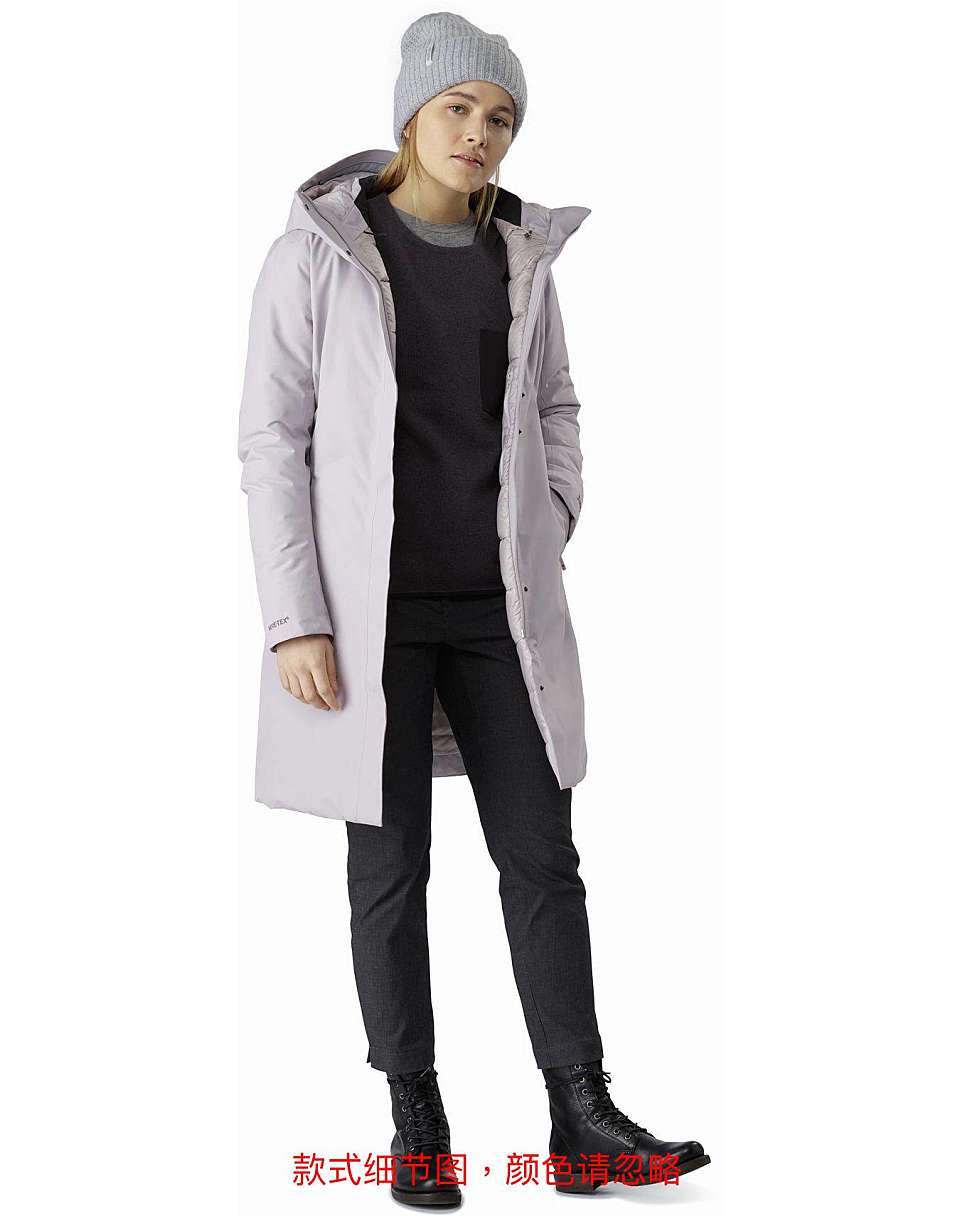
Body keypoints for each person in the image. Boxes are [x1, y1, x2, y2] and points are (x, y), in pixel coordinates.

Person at [238, 11, 710, 1207]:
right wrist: (296, 617)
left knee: (544, 856)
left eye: (501, 117)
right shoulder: (319, 252)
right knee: (391, 867)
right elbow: (272, 438)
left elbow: (557, 405)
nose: (481, 134)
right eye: (460, 109)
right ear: (412, 114)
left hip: (501, 613)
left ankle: (581, 1112)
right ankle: (418, 1118)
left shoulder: (521, 256)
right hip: (369, 621)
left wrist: (552, 515)